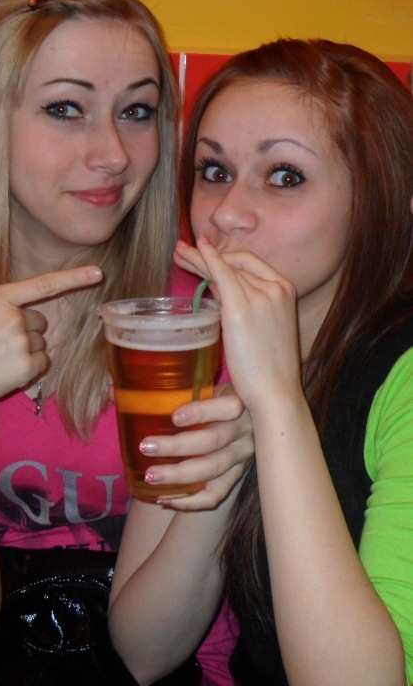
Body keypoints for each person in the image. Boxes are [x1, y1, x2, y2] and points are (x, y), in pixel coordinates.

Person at [0, 0, 245, 684]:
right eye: (65, 108)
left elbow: (148, 657)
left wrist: (232, 468)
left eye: (137, 111)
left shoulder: (191, 320)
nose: (114, 154)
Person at [109, 38, 413, 685]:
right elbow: (142, 650)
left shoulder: (403, 377)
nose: (225, 214)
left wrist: (276, 403)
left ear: (383, 198)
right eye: (214, 171)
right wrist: (230, 453)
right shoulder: (206, 344)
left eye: (284, 176)